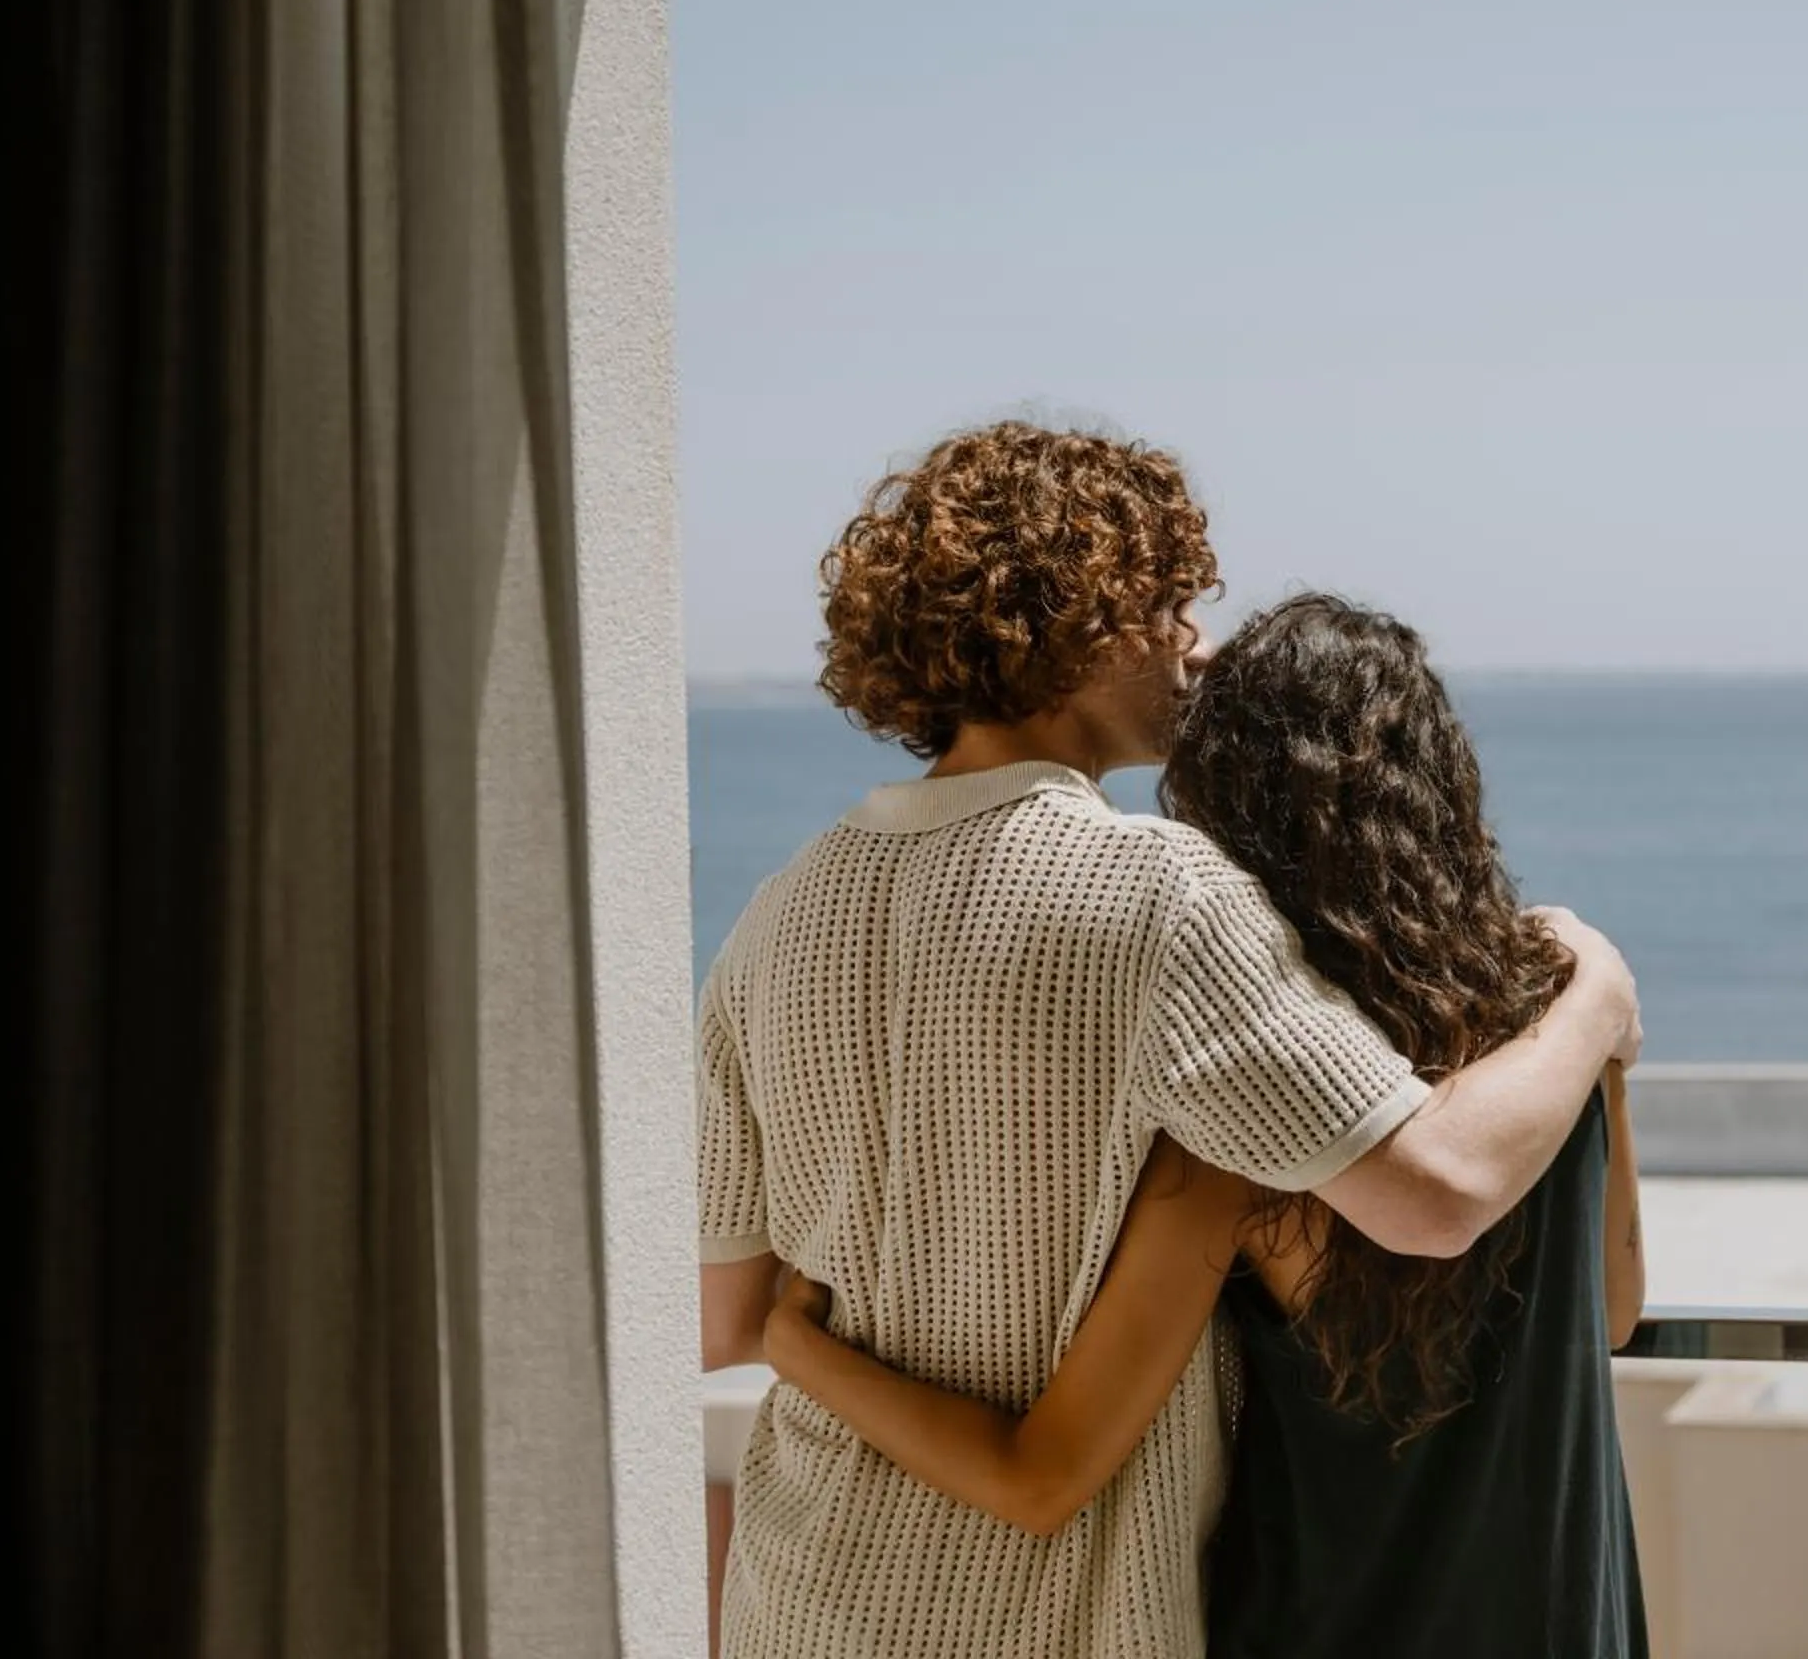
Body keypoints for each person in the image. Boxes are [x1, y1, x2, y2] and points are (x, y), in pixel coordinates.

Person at [697, 427, 1640, 1659]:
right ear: (1069, 616)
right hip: (1051, 1621)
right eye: (1168, 603)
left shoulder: (774, 917)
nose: (1195, 642)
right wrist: (1595, 994)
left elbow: (726, 1317)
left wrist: (816, 1335)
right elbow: (1433, 1189)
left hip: (794, 1600)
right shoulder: (1165, 894)